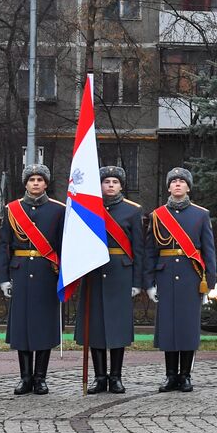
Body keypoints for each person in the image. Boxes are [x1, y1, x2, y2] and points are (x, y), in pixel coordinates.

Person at [145, 167, 217, 392]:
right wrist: (149, 283)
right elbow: (150, 252)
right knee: (168, 328)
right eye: (173, 181)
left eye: (182, 181)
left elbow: (208, 250)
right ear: (168, 187)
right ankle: (170, 376)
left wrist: (210, 282)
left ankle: (185, 375)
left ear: (188, 187)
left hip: (191, 276)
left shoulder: (201, 214)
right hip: (165, 276)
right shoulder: (157, 216)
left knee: (187, 327)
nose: (177, 184)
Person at [77, 165, 145, 394]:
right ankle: (99, 377)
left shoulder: (133, 211)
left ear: (121, 186)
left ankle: (115, 377)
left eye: (115, 182)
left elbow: (139, 248)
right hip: (94, 272)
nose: (110, 186)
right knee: (95, 328)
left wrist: (137, 281)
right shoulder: (88, 208)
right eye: (107, 182)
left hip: (121, 273)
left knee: (118, 329)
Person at [0, 163, 64, 395]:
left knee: (43, 326)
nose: (35, 183)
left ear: (46, 183)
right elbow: (3, 245)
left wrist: (64, 275)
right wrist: (4, 277)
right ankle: (25, 377)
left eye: (40, 179)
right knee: (22, 327)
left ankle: (40, 378)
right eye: (31, 179)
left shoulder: (58, 210)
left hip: (47, 273)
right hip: (20, 272)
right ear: (25, 183)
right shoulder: (12, 209)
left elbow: (63, 246)